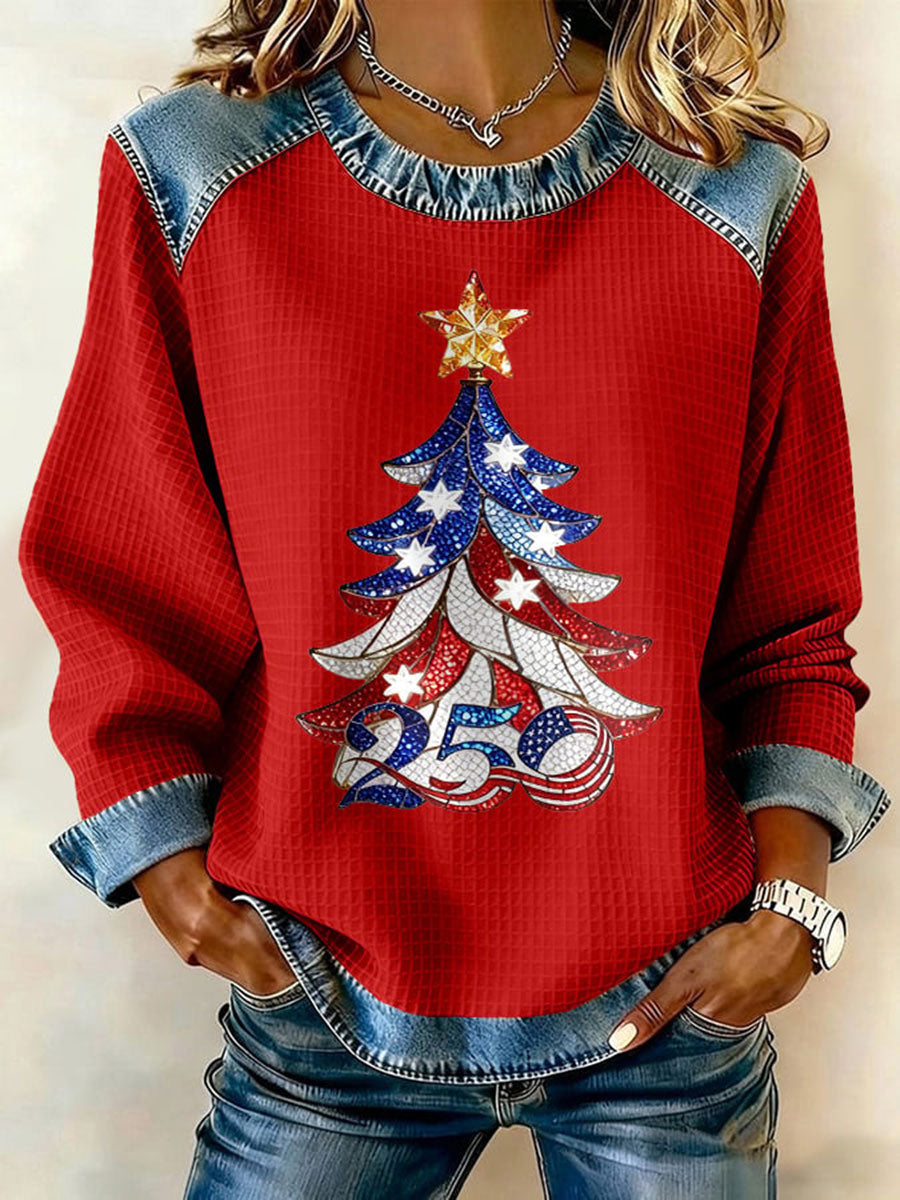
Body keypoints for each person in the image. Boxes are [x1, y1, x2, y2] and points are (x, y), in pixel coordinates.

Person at [18, 1, 892, 1196]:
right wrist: (160, 855)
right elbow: (122, 556)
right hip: (320, 992)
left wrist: (793, 908)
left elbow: (788, 618)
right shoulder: (194, 173)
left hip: (673, 1003)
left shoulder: (733, 193)